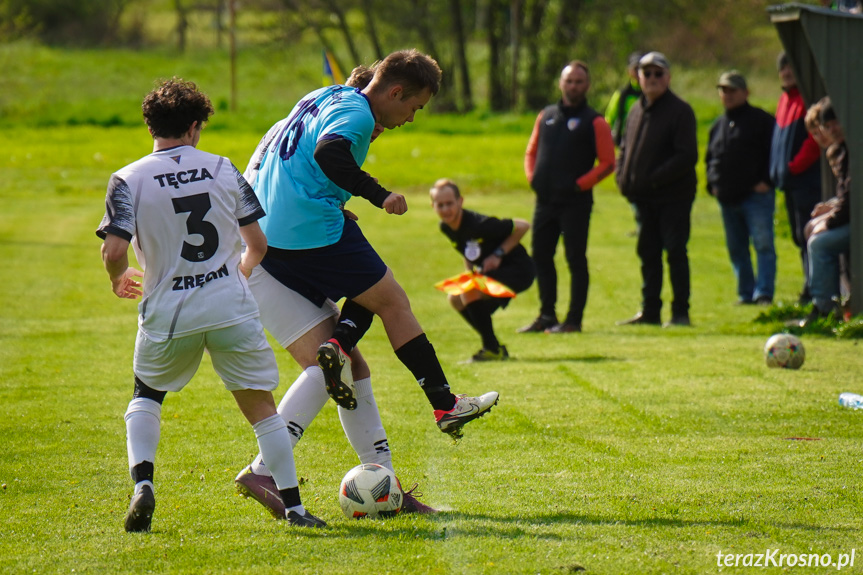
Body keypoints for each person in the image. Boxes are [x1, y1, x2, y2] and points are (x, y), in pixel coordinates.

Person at [96, 78, 325, 531]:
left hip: (168, 310)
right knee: (261, 407)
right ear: (195, 126)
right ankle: (295, 508)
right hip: (230, 308)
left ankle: (143, 483)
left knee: (147, 395)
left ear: (150, 127)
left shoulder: (127, 178)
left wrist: (118, 278)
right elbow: (256, 244)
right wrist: (231, 278)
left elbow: (114, 251)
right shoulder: (222, 168)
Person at [250, 49, 499, 438]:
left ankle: (340, 342)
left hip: (267, 232)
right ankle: (445, 404)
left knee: (372, 291)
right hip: (306, 230)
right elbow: (328, 152)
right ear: (396, 92)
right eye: (415, 107)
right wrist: (377, 193)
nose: (412, 118)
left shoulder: (322, 95)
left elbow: (278, 152)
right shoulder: (359, 114)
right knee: (392, 300)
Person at [233, 65, 436, 517]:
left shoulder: (305, 114)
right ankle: (262, 468)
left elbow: (282, 180)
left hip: (266, 247)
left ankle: (386, 488)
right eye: (376, 128)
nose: (375, 135)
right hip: (261, 256)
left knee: (347, 363)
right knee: (335, 361)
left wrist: (331, 207)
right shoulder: (341, 118)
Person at [518, 60, 615, 334]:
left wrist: (579, 185)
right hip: (545, 201)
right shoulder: (546, 115)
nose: (573, 86)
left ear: (587, 85)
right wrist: (532, 177)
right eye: (569, 81)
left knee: (575, 258)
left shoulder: (595, 121)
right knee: (541, 256)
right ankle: (547, 315)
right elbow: (531, 151)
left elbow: (608, 163)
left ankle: (574, 320)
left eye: (579, 81)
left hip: (575, 203)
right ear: (561, 83)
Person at [615, 52, 698, 327]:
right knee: (647, 252)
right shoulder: (636, 108)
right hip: (643, 198)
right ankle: (650, 311)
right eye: (646, 73)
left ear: (668, 77)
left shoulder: (680, 110)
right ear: (637, 77)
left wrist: (652, 178)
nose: (651, 79)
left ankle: (680, 313)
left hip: (673, 197)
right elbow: (625, 148)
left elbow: (686, 156)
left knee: (674, 251)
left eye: (657, 74)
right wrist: (622, 176)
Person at [430, 178, 535, 361]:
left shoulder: (479, 224)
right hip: (493, 273)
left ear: (460, 201)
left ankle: (491, 348)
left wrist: (498, 254)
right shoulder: (446, 226)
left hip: (519, 269)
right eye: (440, 205)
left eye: (449, 204)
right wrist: (470, 272)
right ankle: (494, 346)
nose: (445, 210)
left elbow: (523, 226)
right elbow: (466, 248)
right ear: (433, 206)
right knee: (455, 299)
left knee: (469, 292)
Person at [705, 70, 777, 305]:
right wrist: (712, 185)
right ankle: (745, 293)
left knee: (763, 244)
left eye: (732, 90)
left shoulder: (762, 120)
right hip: (727, 198)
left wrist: (767, 180)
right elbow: (711, 159)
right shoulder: (718, 125)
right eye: (723, 90)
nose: (727, 95)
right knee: (737, 250)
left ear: (745, 92)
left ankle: (763, 292)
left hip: (756, 197)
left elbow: (774, 153)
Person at [769, 52, 822, 303]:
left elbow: (813, 141)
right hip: (789, 182)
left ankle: (814, 289)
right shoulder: (784, 100)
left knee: (808, 235)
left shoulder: (806, 99)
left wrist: (793, 166)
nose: (787, 73)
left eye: (791, 68)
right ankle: (809, 285)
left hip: (804, 180)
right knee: (798, 237)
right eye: (783, 69)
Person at [801, 98, 850, 326]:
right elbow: (846, 198)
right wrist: (829, 211)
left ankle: (824, 308)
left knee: (819, 243)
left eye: (835, 123)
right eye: (827, 126)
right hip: (852, 220)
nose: (832, 130)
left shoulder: (851, 150)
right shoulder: (842, 150)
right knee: (816, 235)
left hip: (855, 223)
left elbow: (850, 202)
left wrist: (828, 222)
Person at [605, 51, 644, 148]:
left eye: (642, 68)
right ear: (629, 71)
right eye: (636, 69)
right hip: (623, 144)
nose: (638, 73)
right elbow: (609, 120)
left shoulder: (654, 95)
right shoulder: (621, 95)